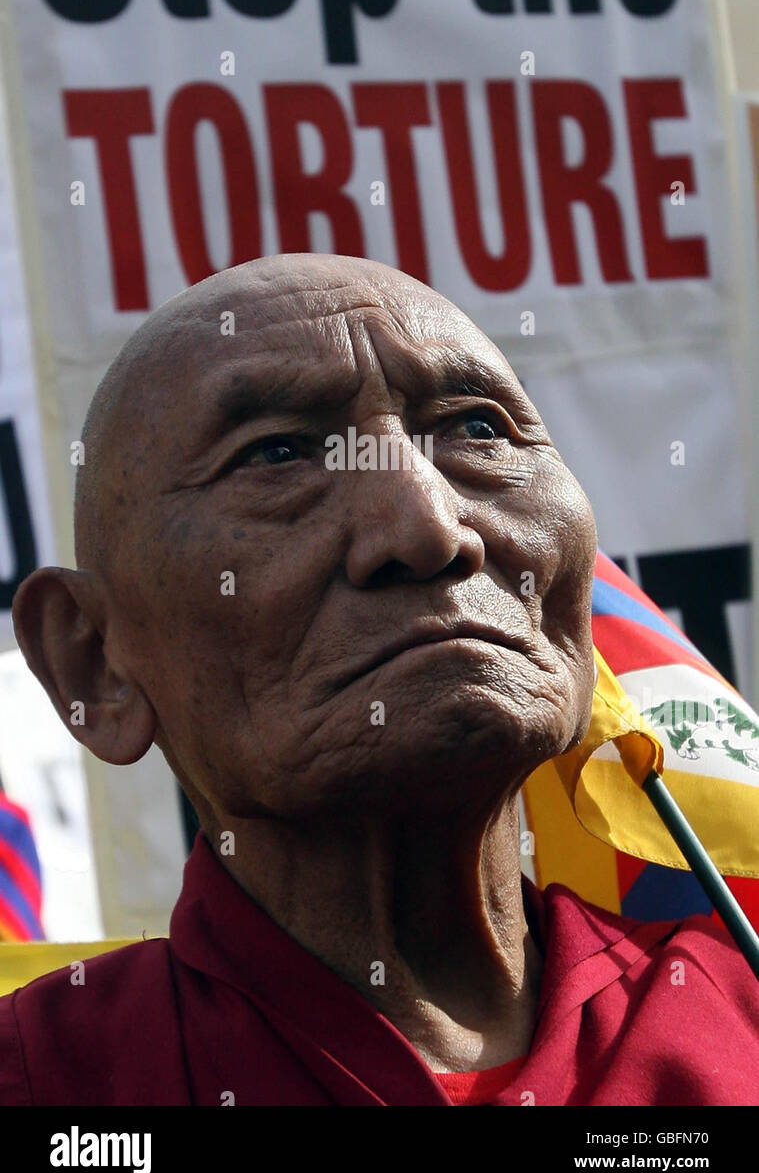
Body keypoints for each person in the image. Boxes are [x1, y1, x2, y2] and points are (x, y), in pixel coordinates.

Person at [1, 254, 757, 1106]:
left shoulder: (736, 1017)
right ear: (92, 662)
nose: (430, 530)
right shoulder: (50, 1080)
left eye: (478, 431)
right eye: (277, 453)